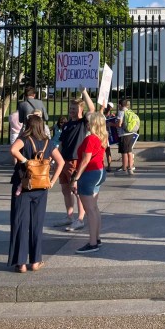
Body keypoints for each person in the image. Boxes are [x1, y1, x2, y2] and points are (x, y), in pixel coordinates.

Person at [8, 115, 64, 272]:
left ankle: (21, 263)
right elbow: (61, 162)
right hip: (41, 187)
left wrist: (25, 161)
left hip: (23, 186)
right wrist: (52, 181)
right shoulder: (48, 142)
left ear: (28, 126)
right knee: (37, 225)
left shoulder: (25, 139)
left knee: (20, 223)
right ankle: (36, 261)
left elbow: (13, 150)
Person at [56, 87, 95, 231]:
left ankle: (80, 219)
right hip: (64, 160)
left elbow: (92, 108)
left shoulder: (83, 123)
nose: (72, 110)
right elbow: (61, 144)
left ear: (81, 110)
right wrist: (56, 161)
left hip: (74, 160)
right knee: (65, 190)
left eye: (75, 108)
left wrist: (84, 92)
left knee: (77, 191)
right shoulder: (66, 124)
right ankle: (69, 216)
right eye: (71, 108)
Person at [70, 111, 108, 254]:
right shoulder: (102, 137)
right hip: (99, 171)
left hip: (90, 173)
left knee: (90, 210)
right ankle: (96, 238)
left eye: (88, 121)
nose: (86, 123)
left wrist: (76, 178)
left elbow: (85, 160)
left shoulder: (90, 139)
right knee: (94, 208)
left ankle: (92, 243)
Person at [116, 99, 139, 175]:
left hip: (124, 135)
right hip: (131, 133)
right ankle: (130, 168)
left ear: (120, 105)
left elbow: (119, 124)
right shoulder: (130, 112)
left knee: (124, 152)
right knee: (129, 151)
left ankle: (124, 169)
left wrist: (111, 124)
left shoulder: (121, 112)